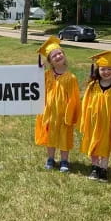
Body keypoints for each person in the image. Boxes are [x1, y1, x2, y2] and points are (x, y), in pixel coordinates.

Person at [35, 36, 80, 173]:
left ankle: (64, 160)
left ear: (64, 55)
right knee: (50, 136)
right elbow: (36, 85)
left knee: (64, 136)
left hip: (64, 113)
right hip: (48, 112)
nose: (58, 56)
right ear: (50, 62)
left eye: (60, 53)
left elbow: (74, 98)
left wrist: (71, 114)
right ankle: (50, 158)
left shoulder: (71, 78)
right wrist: (39, 70)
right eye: (54, 56)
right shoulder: (46, 75)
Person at [79, 51, 111, 182]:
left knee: (104, 145)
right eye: (103, 69)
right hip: (92, 122)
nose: (106, 72)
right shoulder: (92, 86)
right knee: (92, 144)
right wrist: (84, 121)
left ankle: (103, 169)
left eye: (109, 69)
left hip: (107, 123)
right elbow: (85, 103)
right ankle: (95, 167)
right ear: (98, 70)